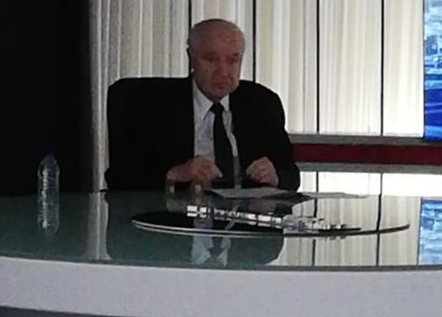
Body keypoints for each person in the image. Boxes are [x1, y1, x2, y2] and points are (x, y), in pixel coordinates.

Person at [106, 18, 300, 191]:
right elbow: (119, 178)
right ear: (191, 58)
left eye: (233, 60)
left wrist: (276, 176)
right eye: (211, 60)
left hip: (243, 216)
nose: (222, 72)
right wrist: (175, 174)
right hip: (175, 216)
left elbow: (291, 175)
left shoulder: (263, 103)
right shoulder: (153, 106)